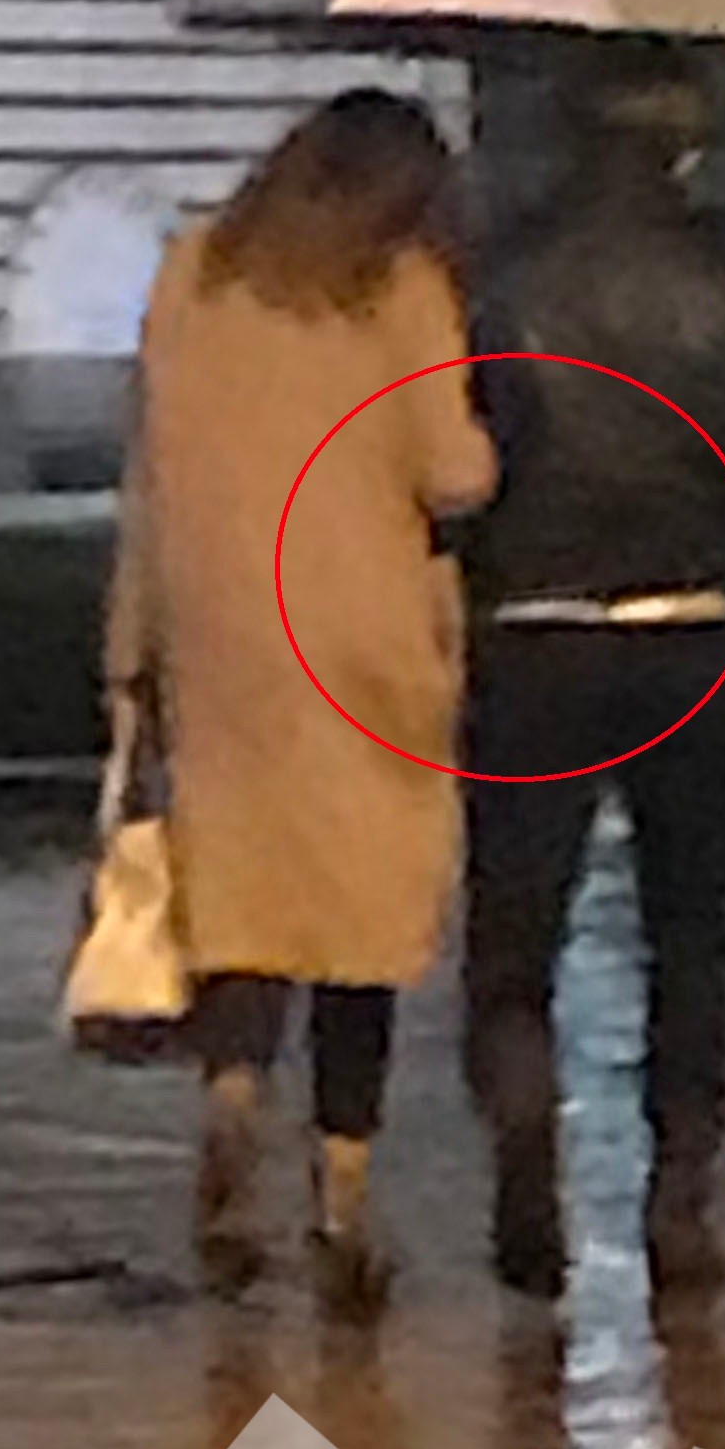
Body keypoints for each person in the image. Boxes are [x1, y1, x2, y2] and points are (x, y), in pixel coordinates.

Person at [463, 66, 725, 1305]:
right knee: (690, 933)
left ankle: (526, 1134)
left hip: (533, 636)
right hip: (693, 639)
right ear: (689, 154)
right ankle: (679, 1196)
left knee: (516, 930)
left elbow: (456, 473)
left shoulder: (498, 284)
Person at [106, 92, 495, 1304]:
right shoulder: (398, 290)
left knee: (247, 900)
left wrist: (129, 649)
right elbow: (451, 472)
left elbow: (147, 473)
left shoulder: (191, 275)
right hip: (363, 637)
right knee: (359, 921)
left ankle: (234, 1094)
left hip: (221, 640)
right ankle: (342, 1193)